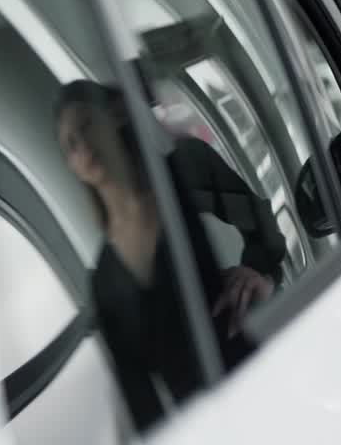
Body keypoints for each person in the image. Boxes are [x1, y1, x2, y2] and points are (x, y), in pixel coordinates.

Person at [53, 79, 286, 431]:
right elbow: (143, 405)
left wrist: (256, 271)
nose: (83, 146)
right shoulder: (104, 281)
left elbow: (260, 224)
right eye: (70, 145)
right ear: (71, 166)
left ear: (114, 115)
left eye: (85, 126)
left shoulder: (185, 168)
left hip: (262, 383)